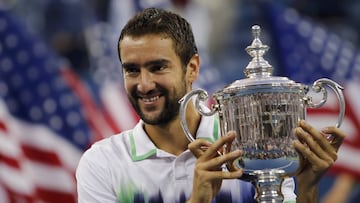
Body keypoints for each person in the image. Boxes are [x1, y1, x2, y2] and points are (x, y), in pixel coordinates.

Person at [76, 7, 346, 203]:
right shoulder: (102, 164)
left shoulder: (253, 146)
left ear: (192, 69)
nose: (144, 84)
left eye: (158, 67)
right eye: (132, 70)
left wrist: (308, 190)